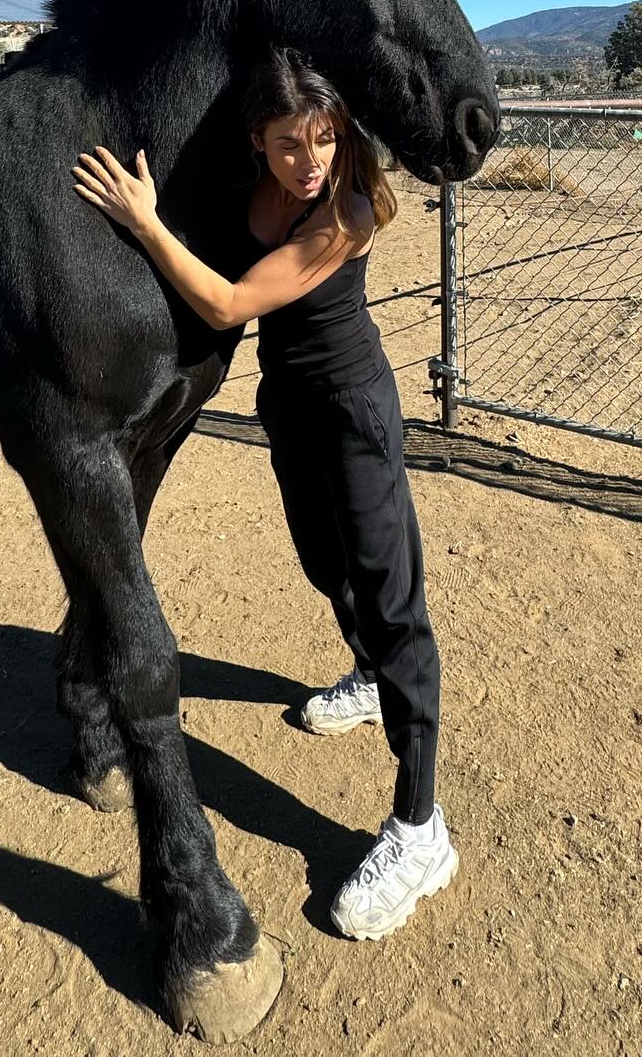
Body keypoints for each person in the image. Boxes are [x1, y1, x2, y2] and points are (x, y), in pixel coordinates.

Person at [72, 49, 457, 940]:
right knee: (327, 564)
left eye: (324, 137)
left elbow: (228, 302)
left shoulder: (347, 211)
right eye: (290, 142)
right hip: (286, 404)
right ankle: (367, 675)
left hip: (353, 409)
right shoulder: (253, 189)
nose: (310, 158)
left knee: (394, 599)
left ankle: (420, 825)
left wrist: (143, 221)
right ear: (259, 138)